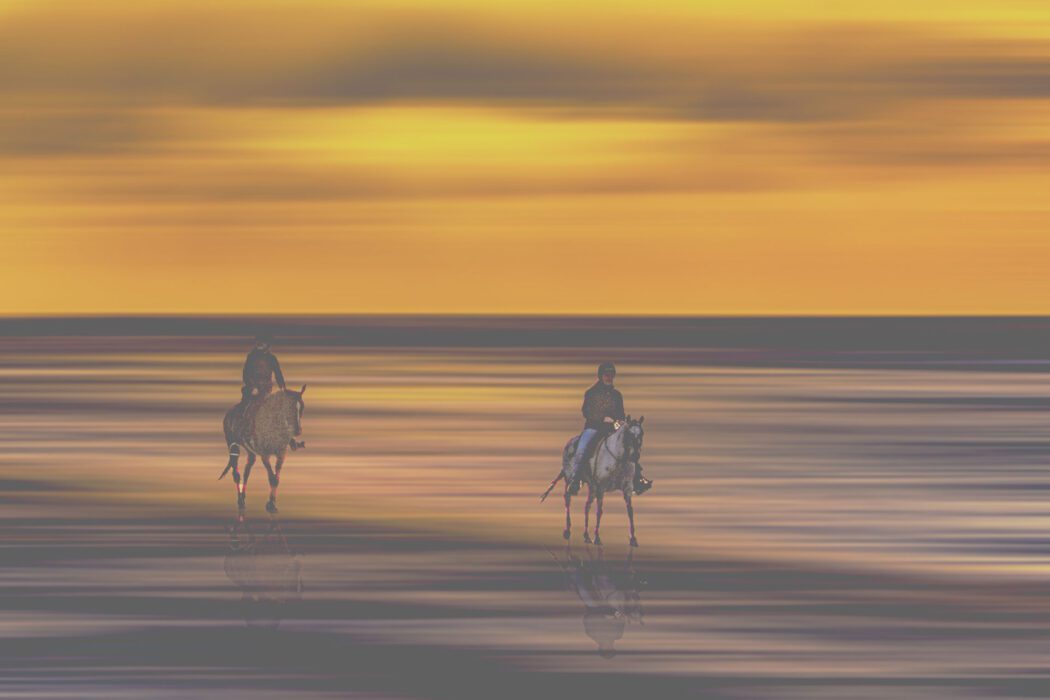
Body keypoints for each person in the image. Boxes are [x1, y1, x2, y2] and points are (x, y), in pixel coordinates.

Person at [566, 362, 652, 496]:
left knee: (631, 446)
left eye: (611, 375)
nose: (609, 377)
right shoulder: (591, 393)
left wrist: (621, 421)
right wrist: (603, 418)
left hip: (612, 429)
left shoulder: (617, 395)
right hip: (593, 427)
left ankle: (637, 479)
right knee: (582, 448)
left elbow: (621, 413)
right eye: (606, 375)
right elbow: (586, 411)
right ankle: (575, 480)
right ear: (601, 376)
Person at [240, 335, 287, 406]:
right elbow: (246, 374)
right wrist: (252, 387)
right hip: (252, 390)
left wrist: (282, 387)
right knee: (245, 408)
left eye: (263, 342)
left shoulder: (272, 358)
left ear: (268, 344)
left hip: (267, 390)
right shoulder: (251, 357)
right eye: (258, 341)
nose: (260, 343)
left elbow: (278, 373)